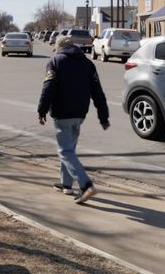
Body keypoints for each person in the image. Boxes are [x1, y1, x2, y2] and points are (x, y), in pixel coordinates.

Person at [37, 35, 110, 204]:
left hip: (62, 113)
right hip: (80, 113)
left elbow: (48, 88)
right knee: (69, 149)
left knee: (65, 151)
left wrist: (41, 111)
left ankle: (85, 185)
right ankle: (66, 184)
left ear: (59, 47)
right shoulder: (88, 64)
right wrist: (103, 116)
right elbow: (98, 92)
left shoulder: (55, 61)